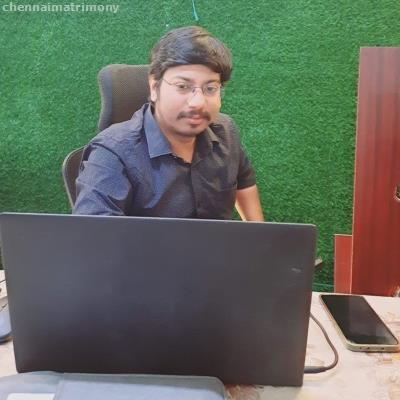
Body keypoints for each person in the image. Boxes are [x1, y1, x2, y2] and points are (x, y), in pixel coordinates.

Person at [73, 26, 264, 221]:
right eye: (183, 86)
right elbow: (95, 237)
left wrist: (257, 236)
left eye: (210, 88)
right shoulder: (112, 153)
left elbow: (245, 184)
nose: (198, 102)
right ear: (154, 87)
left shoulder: (226, 131)